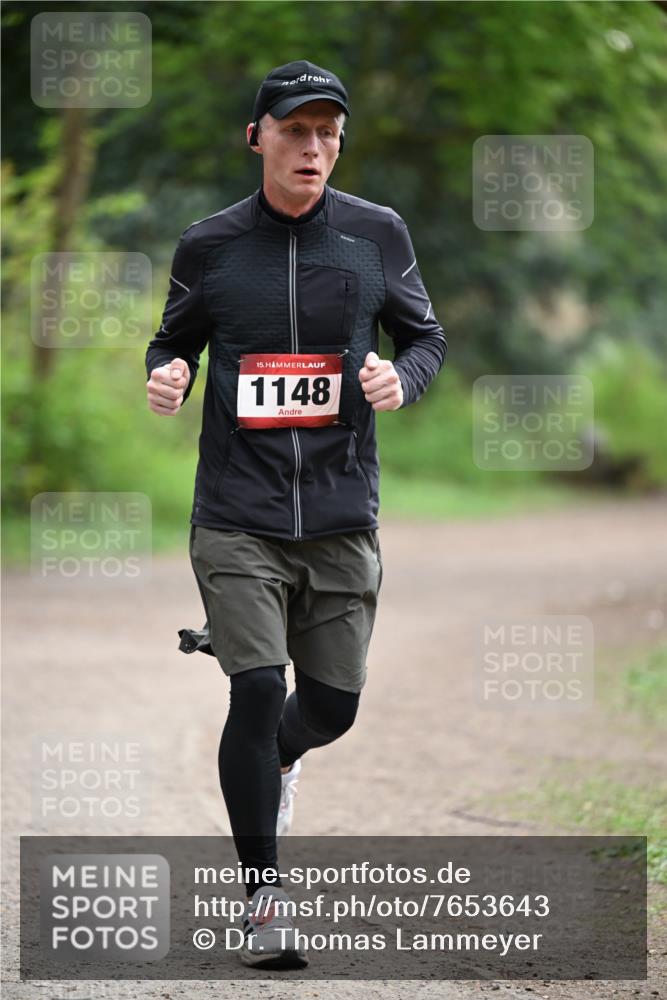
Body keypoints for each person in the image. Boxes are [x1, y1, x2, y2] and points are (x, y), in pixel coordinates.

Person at [145, 59, 447, 969]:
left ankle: (283, 756)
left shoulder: (375, 234)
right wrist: (170, 370)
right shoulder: (209, 246)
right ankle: (263, 903)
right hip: (236, 510)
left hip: (342, 508)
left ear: (338, 144)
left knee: (332, 707)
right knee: (255, 686)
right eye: (293, 130)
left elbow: (424, 336)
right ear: (257, 138)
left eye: (327, 132)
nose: (311, 146)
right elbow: (175, 336)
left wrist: (405, 377)